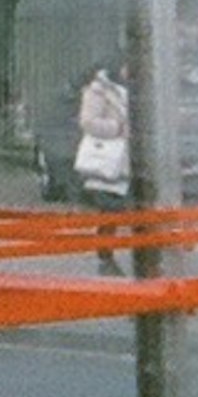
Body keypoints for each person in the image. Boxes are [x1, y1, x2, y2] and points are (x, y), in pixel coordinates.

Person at [73, 59, 133, 271]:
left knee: (135, 209)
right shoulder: (98, 91)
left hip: (133, 160)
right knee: (110, 210)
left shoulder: (140, 88)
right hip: (109, 161)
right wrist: (118, 128)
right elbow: (88, 122)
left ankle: (140, 257)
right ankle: (105, 258)